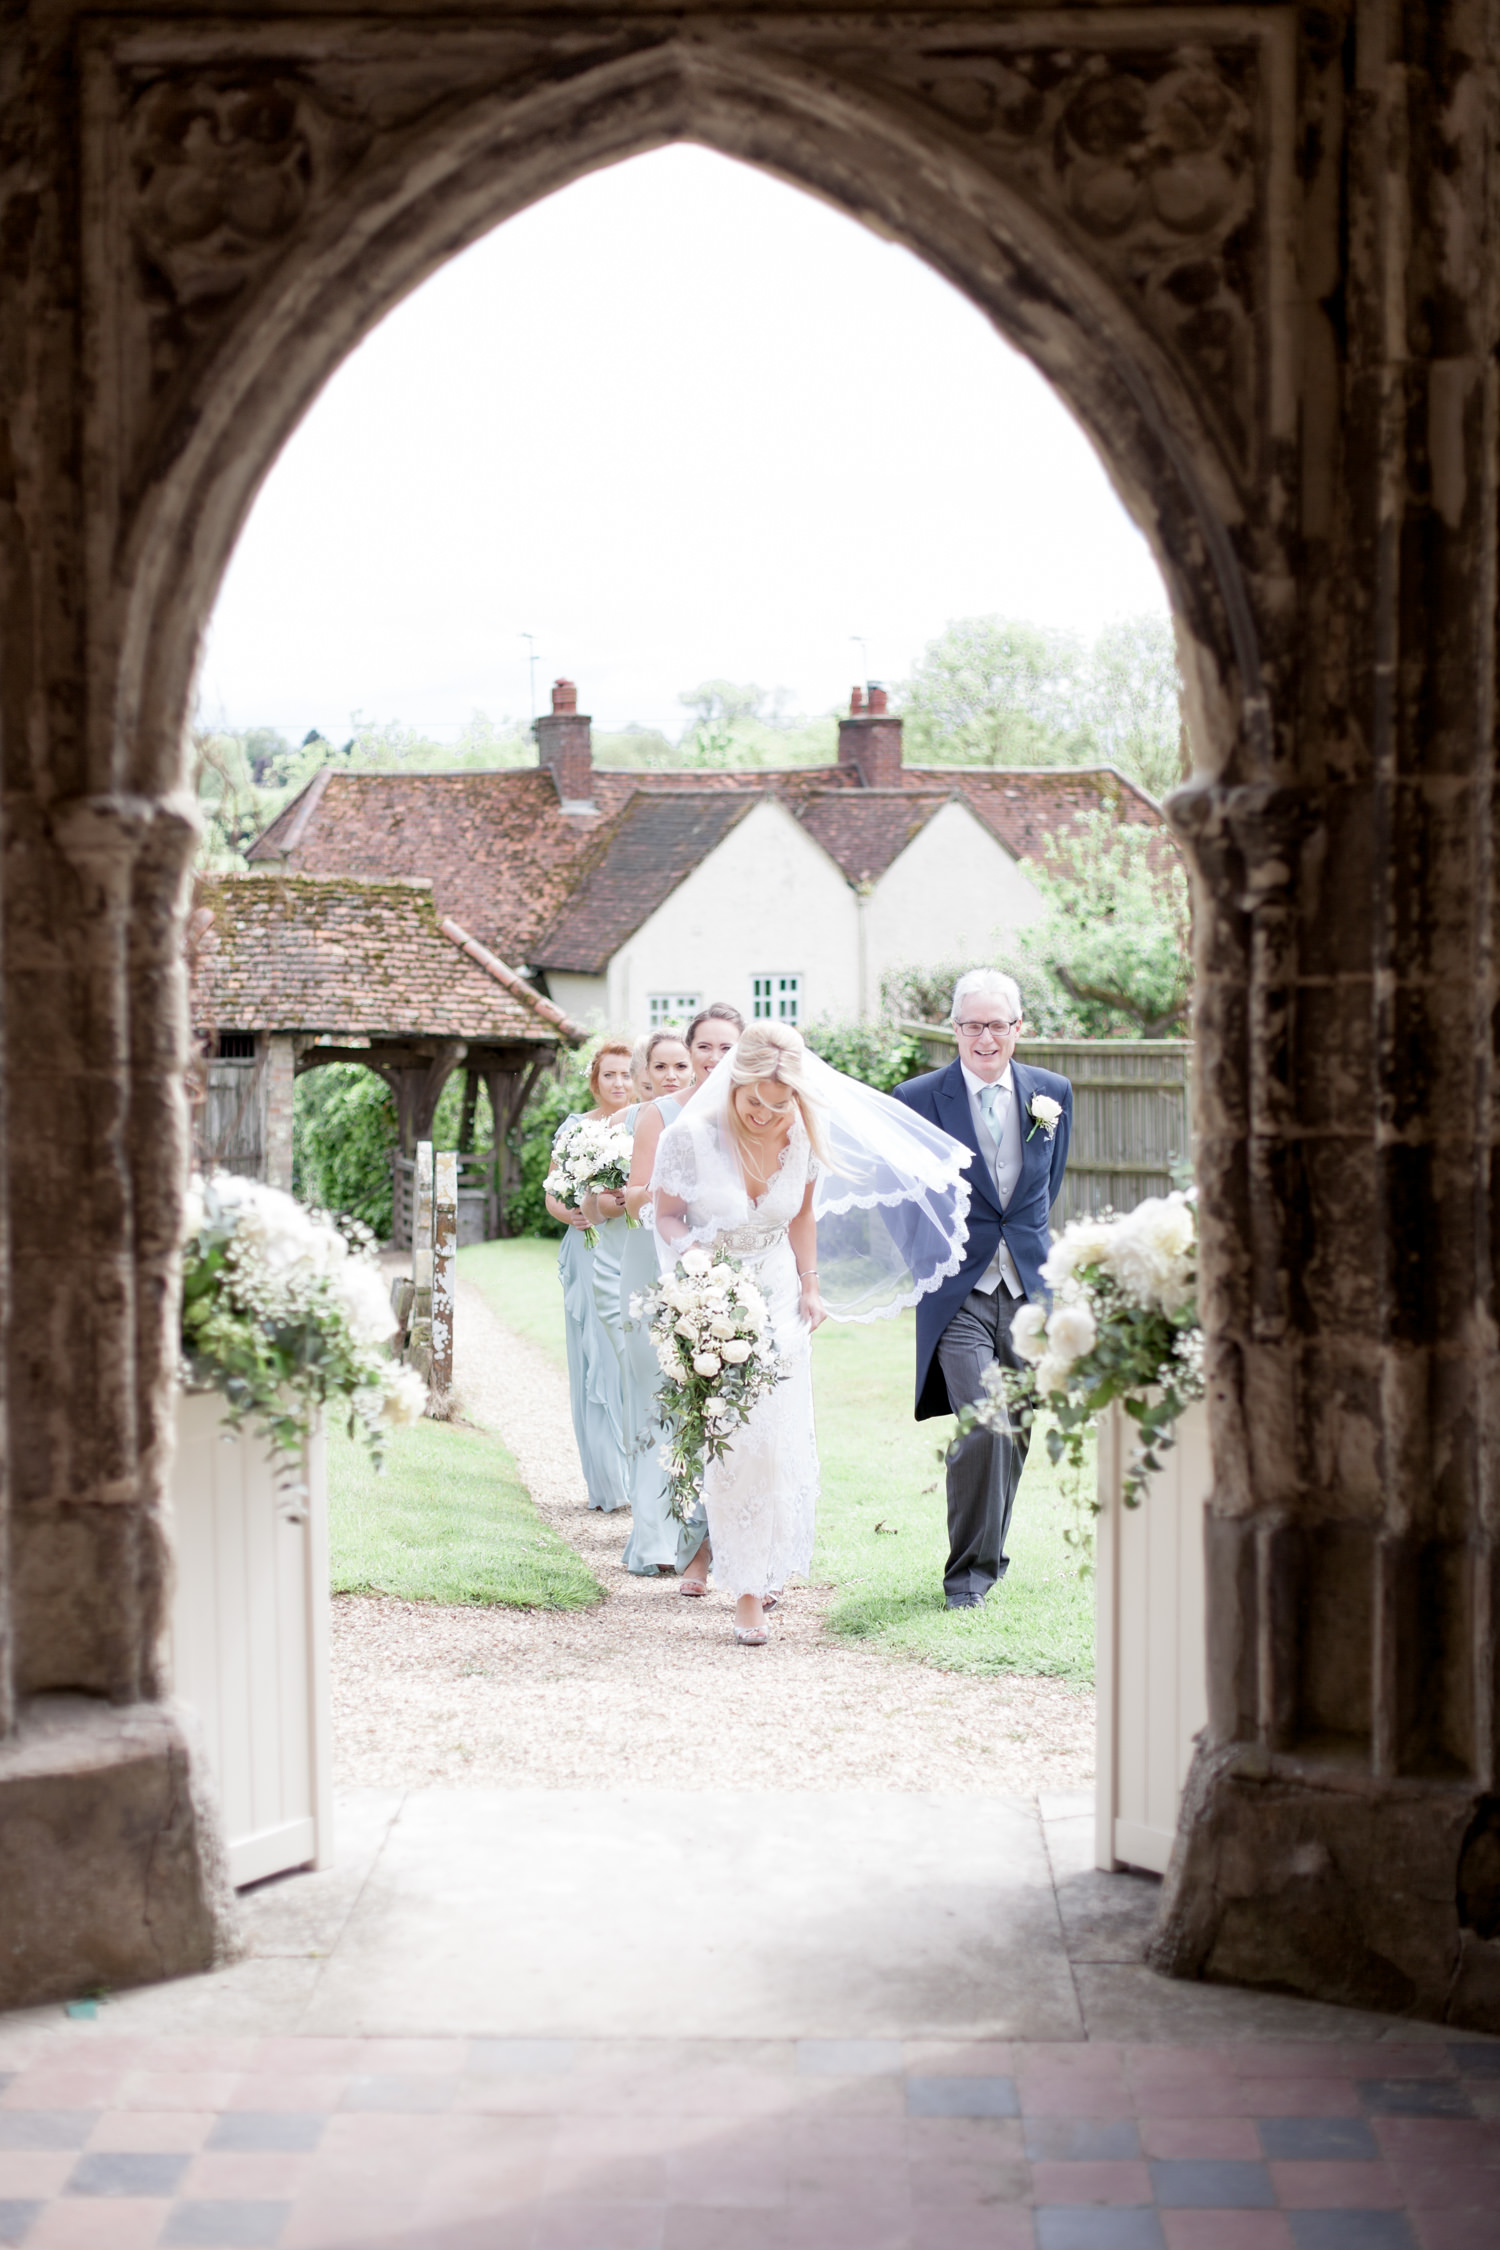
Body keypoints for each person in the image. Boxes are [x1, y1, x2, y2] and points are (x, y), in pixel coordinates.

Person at [652, 1021, 972, 1646]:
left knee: (775, 1436)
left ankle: (759, 1576)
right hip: (711, 1290)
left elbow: (799, 1216)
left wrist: (810, 1284)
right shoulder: (687, 1139)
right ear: (733, 1084)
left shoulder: (798, 1131)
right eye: (756, 1102)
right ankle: (740, 1575)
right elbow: (664, 1216)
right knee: (733, 1438)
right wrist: (694, 1272)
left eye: (782, 1102)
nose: (769, 1114)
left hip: (774, 1293)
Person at [891, 970, 1072, 1609]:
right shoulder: (917, 1098)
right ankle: (968, 1579)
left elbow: (1043, 1193)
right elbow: (901, 1198)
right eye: (972, 1024)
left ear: (1019, 1028)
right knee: (983, 1422)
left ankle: (989, 1557)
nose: (985, 1036)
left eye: (998, 1024)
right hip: (957, 1291)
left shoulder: (1053, 1094)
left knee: (1017, 1426)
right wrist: (930, 1265)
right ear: (955, 1029)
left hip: (1028, 1291)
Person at [616, 1004, 745, 1592]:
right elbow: (642, 1198)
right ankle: (672, 1542)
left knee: (733, 1412)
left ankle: (721, 1545)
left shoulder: (754, 1108)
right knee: (677, 1401)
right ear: (687, 1051)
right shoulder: (659, 1115)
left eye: (726, 1048)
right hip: (668, 1268)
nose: (713, 1060)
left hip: (739, 1269)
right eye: (704, 1049)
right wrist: (681, 1209)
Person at [583, 1027, 699, 1576]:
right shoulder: (629, 1125)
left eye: (682, 1064)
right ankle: (653, 1538)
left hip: (701, 1270)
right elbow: (603, 1205)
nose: (673, 1074)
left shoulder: (720, 1118)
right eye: (662, 1066)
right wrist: (624, 1199)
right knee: (649, 1395)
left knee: (699, 1401)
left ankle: (695, 1531)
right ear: (644, 1073)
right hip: (644, 1266)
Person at [547, 1038, 634, 1513]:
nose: (619, 1083)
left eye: (626, 1074)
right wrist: (572, 1215)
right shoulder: (577, 1128)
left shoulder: (650, 1121)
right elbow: (554, 1193)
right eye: (609, 1075)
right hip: (589, 1247)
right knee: (597, 1353)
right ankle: (608, 1479)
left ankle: (644, 1473)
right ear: (595, 1081)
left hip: (636, 1244)